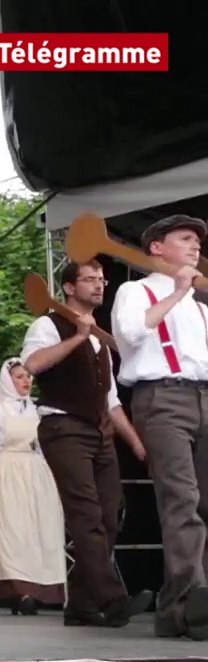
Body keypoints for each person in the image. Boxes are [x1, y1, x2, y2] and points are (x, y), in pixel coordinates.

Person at [21, 259, 150, 627]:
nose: (99, 285)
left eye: (102, 279)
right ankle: (113, 600)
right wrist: (77, 336)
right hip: (63, 426)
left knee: (109, 515)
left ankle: (80, 603)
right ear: (68, 287)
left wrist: (136, 444)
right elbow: (32, 364)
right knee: (86, 515)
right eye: (90, 279)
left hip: (99, 431)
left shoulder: (100, 340)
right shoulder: (48, 324)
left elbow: (111, 401)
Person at [110, 214, 208, 640]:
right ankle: (191, 599)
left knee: (203, 502)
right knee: (182, 500)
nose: (196, 246)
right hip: (161, 398)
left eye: (198, 242)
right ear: (156, 247)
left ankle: (178, 610)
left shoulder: (200, 308)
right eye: (185, 238)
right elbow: (130, 334)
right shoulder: (136, 291)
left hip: (203, 397)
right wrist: (179, 290)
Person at [0, 358, 67, 615]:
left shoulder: (36, 411)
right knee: (11, 532)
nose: (26, 381)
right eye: (20, 377)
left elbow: (45, 449)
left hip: (35, 474)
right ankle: (19, 591)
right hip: (6, 474)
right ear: (8, 381)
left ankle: (35, 590)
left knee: (37, 532)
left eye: (28, 376)